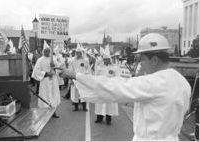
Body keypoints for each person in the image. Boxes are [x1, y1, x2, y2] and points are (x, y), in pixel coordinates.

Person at [60, 33, 191, 141]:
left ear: (155, 60)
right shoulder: (182, 81)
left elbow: (112, 87)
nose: (140, 64)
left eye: (142, 60)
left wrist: (76, 75)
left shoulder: (153, 82)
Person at [32, 47, 60, 118]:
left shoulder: (53, 59)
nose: (47, 52)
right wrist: (46, 73)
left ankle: (54, 112)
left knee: (53, 95)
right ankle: (45, 113)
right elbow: (35, 72)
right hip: (45, 81)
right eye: (45, 51)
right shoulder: (40, 60)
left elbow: (58, 68)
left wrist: (54, 66)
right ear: (43, 51)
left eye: (48, 51)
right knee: (45, 96)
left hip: (53, 81)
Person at [94, 48, 119, 125]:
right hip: (101, 88)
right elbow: (96, 76)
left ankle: (108, 119)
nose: (105, 61)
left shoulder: (114, 67)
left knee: (109, 105)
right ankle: (99, 118)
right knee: (100, 104)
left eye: (107, 59)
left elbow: (118, 77)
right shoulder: (100, 67)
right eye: (104, 59)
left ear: (110, 59)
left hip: (110, 89)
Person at [70, 44, 90, 112]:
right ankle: (76, 107)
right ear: (76, 53)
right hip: (75, 79)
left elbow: (88, 69)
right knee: (75, 93)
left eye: (80, 53)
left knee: (83, 93)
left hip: (83, 79)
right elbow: (70, 70)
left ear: (81, 53)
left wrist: (87, 77)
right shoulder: (73, 61)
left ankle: (84, 107)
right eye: (77, 53)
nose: (78, 54)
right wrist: (71, 79)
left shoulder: (85, 60)